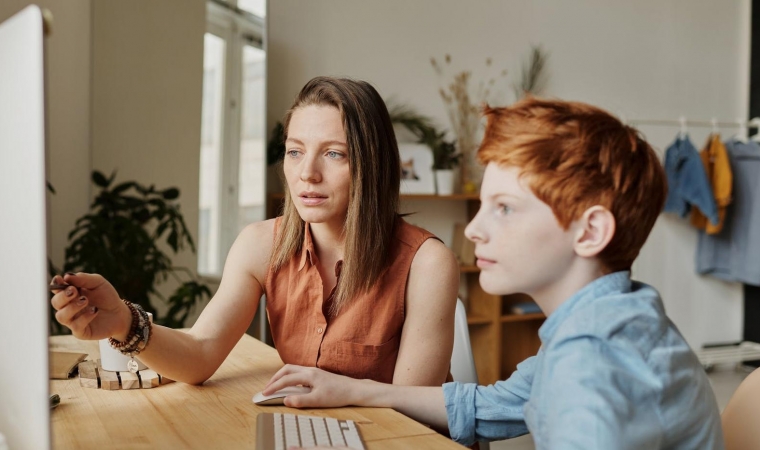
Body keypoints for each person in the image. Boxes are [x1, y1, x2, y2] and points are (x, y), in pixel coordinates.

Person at [262, 97, 725, 449]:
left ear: (590, 232)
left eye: (504, 209)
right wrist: (352, 390)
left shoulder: (592, 365)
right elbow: (488, 405)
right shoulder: (607, 320)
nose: (477, 230)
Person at [49, 76, 459, 387]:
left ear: (373, 165)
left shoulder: (427, 263)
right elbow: (200, 354)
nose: (306, 174)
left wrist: (336, 394)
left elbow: (410, 415)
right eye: (295, 151)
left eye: (334, 154)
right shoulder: (261, 244)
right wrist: (123, 321)